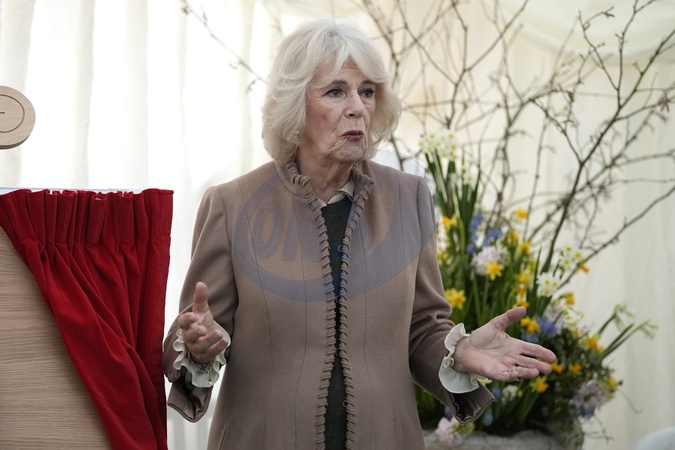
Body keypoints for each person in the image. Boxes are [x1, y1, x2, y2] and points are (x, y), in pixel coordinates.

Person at [162, 18, 556, 450]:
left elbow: (422, 329)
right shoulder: (232, 205)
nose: (358, 108)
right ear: (294, 105)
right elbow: (198, 332)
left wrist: (458, 352)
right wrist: (197, 348)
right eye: (336, 91)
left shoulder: (408, 198)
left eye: (367, 92)